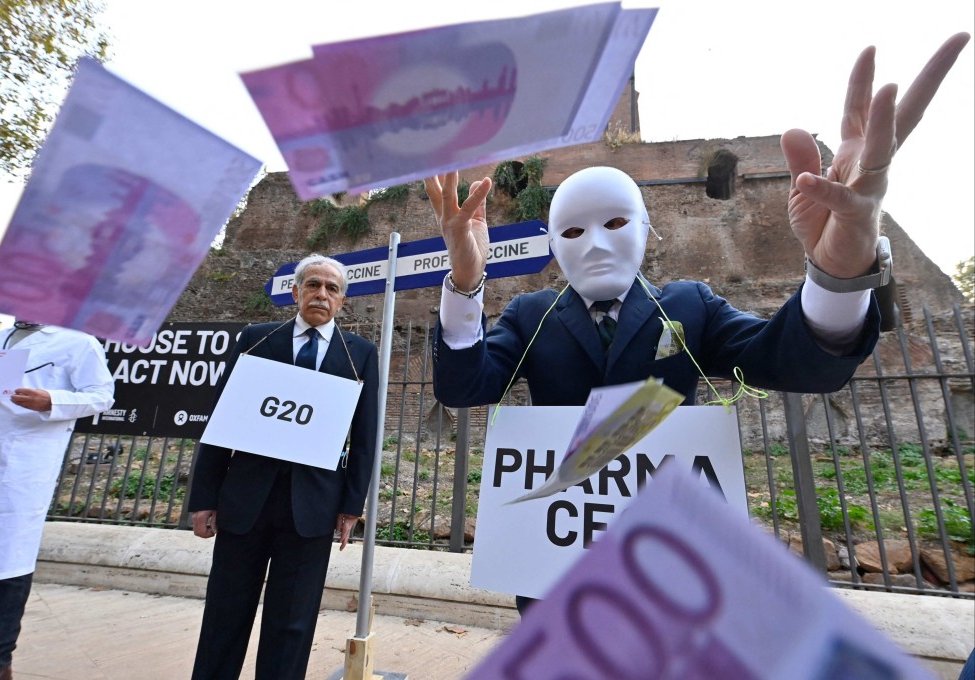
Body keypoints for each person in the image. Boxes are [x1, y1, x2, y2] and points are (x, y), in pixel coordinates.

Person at [425, 34, 971, 615]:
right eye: (574, 232)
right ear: (554, 247)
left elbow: (796, 362)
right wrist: (463, 285)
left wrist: (838, 271)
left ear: (645, 228)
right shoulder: (531, 315)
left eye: (615, 222)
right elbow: (463, 387)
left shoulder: (689, 306)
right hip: (557, 579)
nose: (598, 246)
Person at [188, 254, 379, 680]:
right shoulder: (257, 340)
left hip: (312, 509)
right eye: (313, 285)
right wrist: (203, 498)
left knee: (292, 625)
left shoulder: (359, 355)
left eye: (332, 289)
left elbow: (365, 438)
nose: (321, 294)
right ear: (296, 293)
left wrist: (351, 507)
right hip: (245, 501)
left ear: (342, 302)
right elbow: (221, 422)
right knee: (224, 615)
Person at [0, 321, 114, 680]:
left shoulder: (80, 342)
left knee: (7, 568)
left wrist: (52, 400)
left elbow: (102, 395)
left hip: (19, 469)